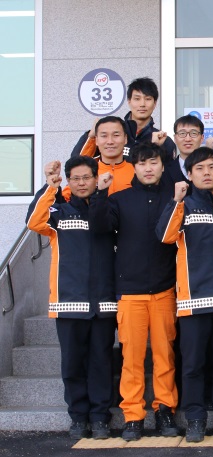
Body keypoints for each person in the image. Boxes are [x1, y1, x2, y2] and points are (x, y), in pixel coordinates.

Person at [157, 147, 213, 443]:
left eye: (211, 167)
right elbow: (165, 236)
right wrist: (176, 200)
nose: (206, 173)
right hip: (193, 301)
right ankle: (195, 418)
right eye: (199, 168)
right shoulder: (184, 205)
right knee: (193, 364)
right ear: (189, 174)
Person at [88, 142, 179, 441]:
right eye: (142, 163)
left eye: (153, 162)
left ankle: (165, 409)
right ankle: (133, 416)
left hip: (165, 289)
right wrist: (100, 193)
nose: (148, 168)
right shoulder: (119, 199)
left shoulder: (175, 197)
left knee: (165, 355)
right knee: (132, 357)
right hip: (130, 292)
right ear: (134, 167)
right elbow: (99, 226)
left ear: (163, 166)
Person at [26, 157, 117, 440]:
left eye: (86, 177)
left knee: (101, 363)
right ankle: (78, 417)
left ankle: (100, 417)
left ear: (96, 178)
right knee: (73, 365)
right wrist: (49, 187)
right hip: (68, 302)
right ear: (68, 181)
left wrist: (101, 195)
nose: (81, 183)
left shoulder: (108, 209)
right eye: (75, 178)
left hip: (103, 303)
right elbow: (33, 221)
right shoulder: (59, 212)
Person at [71, 77, 176, 161]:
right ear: (129, 101)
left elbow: (167, 175)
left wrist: (155, 147)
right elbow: (77, 163)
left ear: (155, 103)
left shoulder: (163, 141)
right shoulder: (111, 135)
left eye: (148, 99)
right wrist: (91, 136)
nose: (142, 104)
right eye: (137, 99)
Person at [62, 116, 136, 201]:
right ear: (96, 140)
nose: (110, 141)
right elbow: (66, 200)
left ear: (125, 139)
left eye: (116, 135)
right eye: (104, 136)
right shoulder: (87, 173)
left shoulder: (137, 172)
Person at [164, 114, 204, 185]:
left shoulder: (210, 169)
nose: (188, 139)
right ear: (175, 138)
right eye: (182, 133)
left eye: (193, 133)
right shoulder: (164, 170)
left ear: (202, 138)